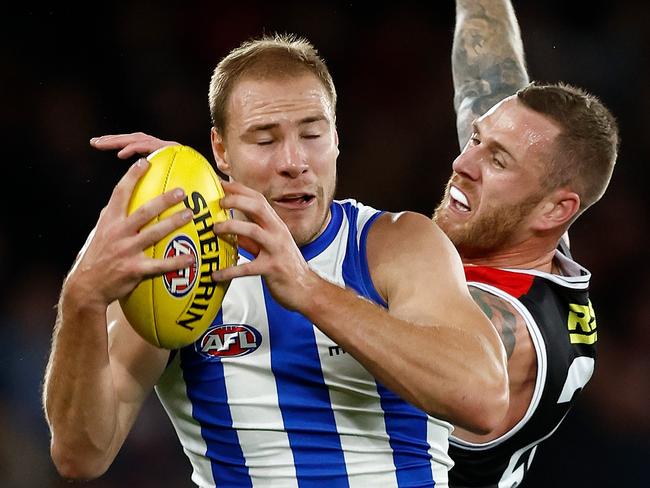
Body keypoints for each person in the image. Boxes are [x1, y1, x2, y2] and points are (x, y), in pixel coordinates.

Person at [43, 34, 509, 487]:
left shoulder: (394, 244)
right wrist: (80, 300)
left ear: (336, 137)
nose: (294, 161)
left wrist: (308, 289)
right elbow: (81, 455)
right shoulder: (175, 267)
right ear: (221, 151)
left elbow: (483, 401)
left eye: (312, 133)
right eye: (264, 141)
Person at [433, 1, 619, 486]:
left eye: (497, 161)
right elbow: (492, 83)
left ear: (556, 210)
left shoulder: (500, 326)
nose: (462, 164)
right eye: (476, 140)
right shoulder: (533, 225)